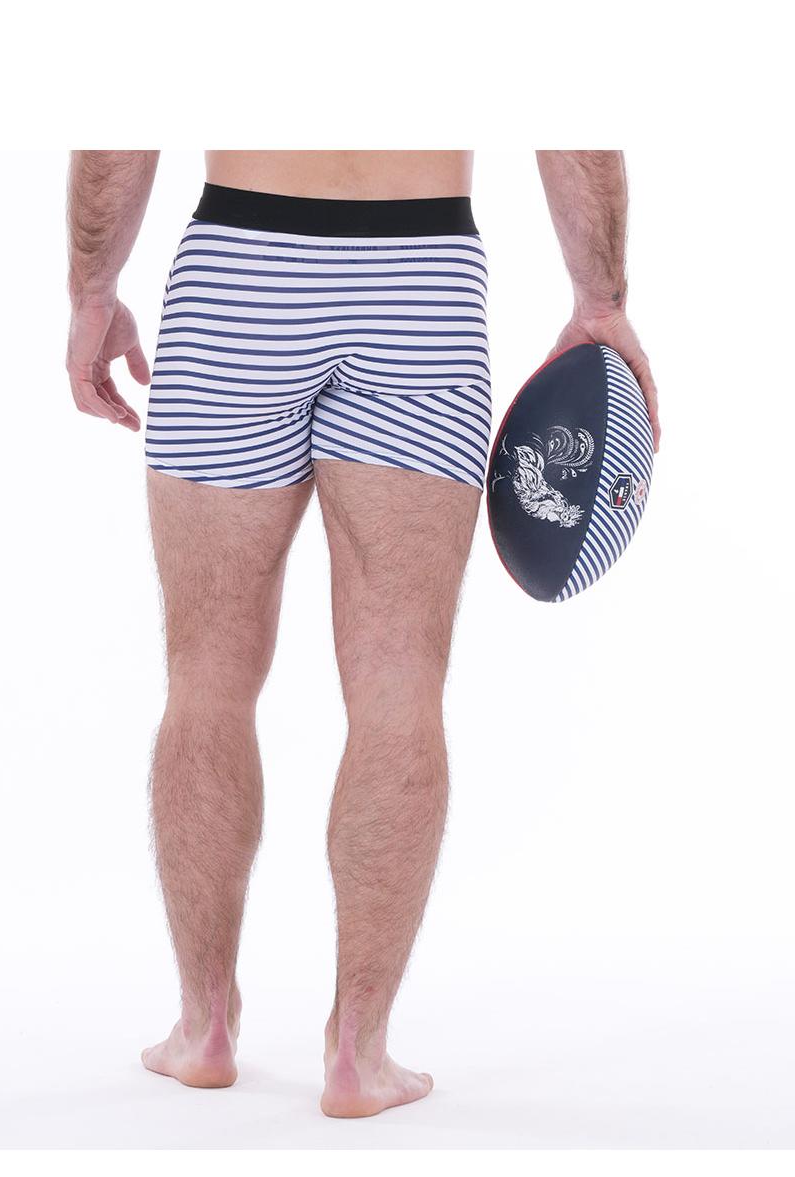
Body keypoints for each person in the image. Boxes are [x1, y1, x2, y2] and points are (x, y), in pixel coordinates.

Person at [66, 151, 659, 1118]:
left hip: (240, 272)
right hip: (419, 277)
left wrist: (94, 288)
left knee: (207, 674)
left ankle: (204, 1027)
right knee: (400, 685)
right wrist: (601, 298)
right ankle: (359, 1052)